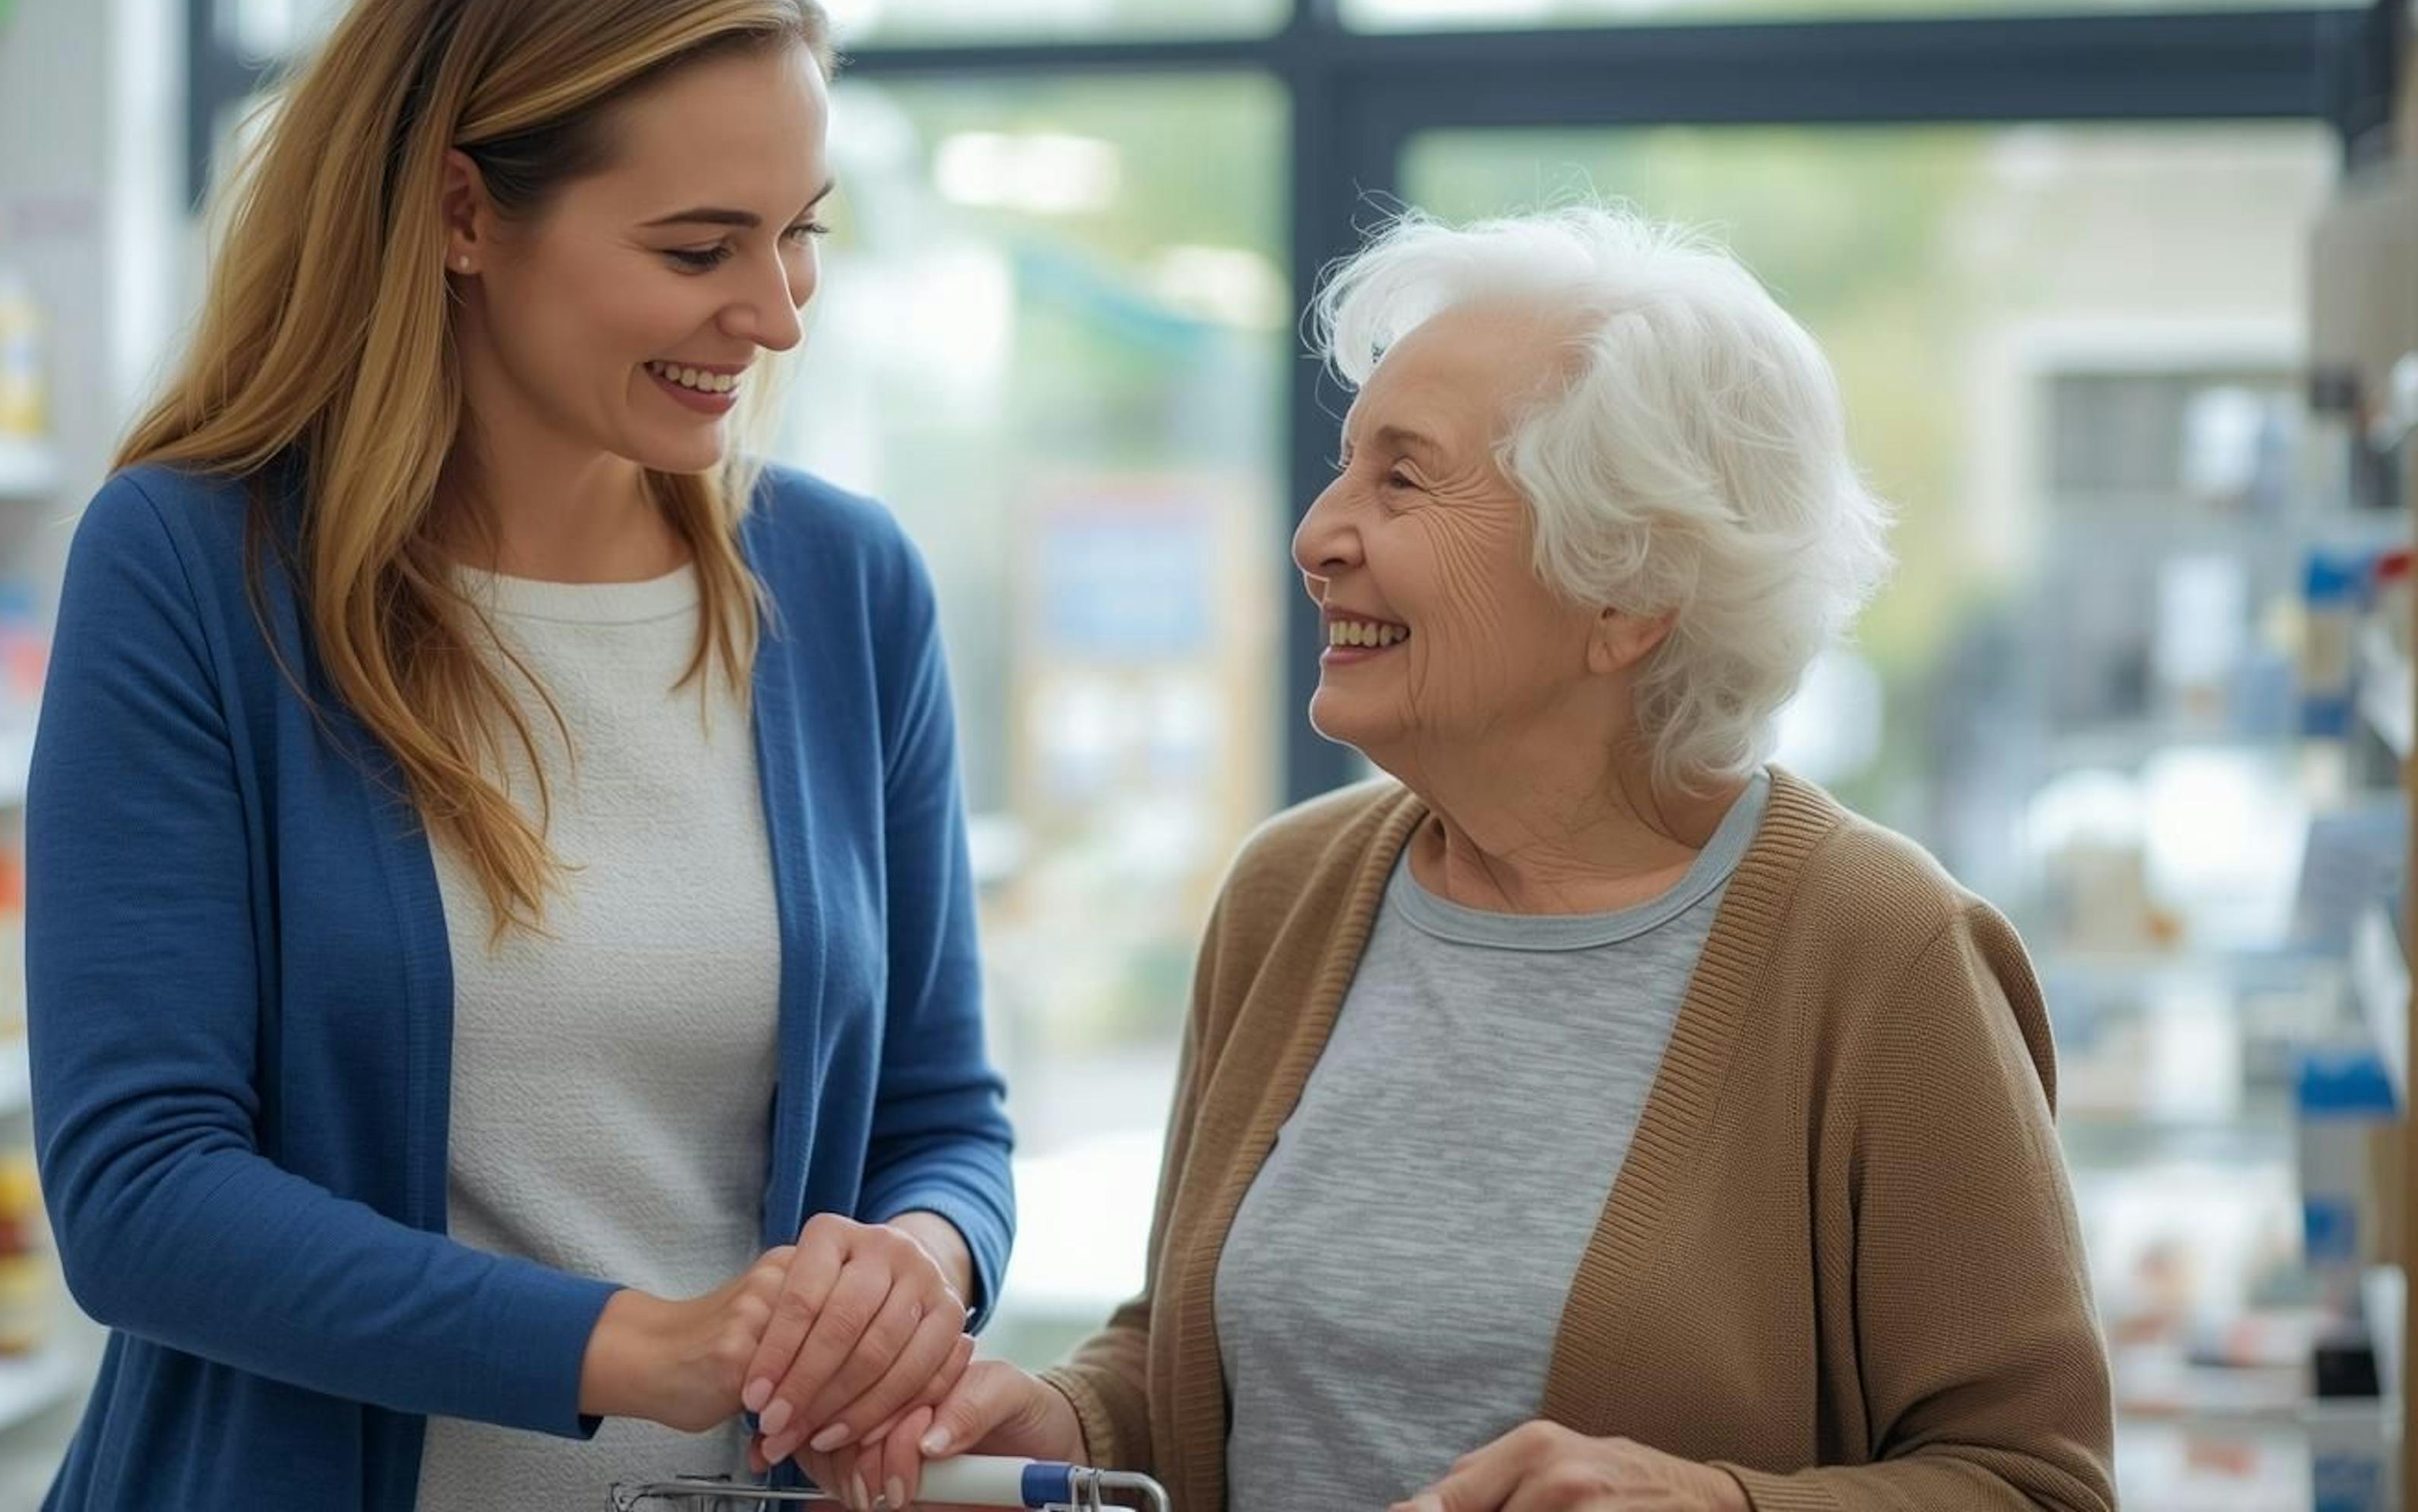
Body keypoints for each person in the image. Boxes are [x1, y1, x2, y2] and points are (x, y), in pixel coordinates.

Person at [800, 207, 2115, 1512]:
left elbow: (2036, 1482)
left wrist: (1715, 1502)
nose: (1317, 534)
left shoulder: (1885, 951)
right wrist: (1062, 1420)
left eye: (1404, 480)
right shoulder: (1288, 895)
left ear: (1627, 591)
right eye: (1345, 467)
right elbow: (1191, 1364)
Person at [22, 0, 1015, 1507]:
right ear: (464, 213)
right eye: (700, 246)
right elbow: (142, 1193)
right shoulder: (196, 569)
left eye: (801, 234)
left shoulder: (848, 588)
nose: (776, 315)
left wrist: (917, 1261)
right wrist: (642, 1347)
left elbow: (942, 1113)